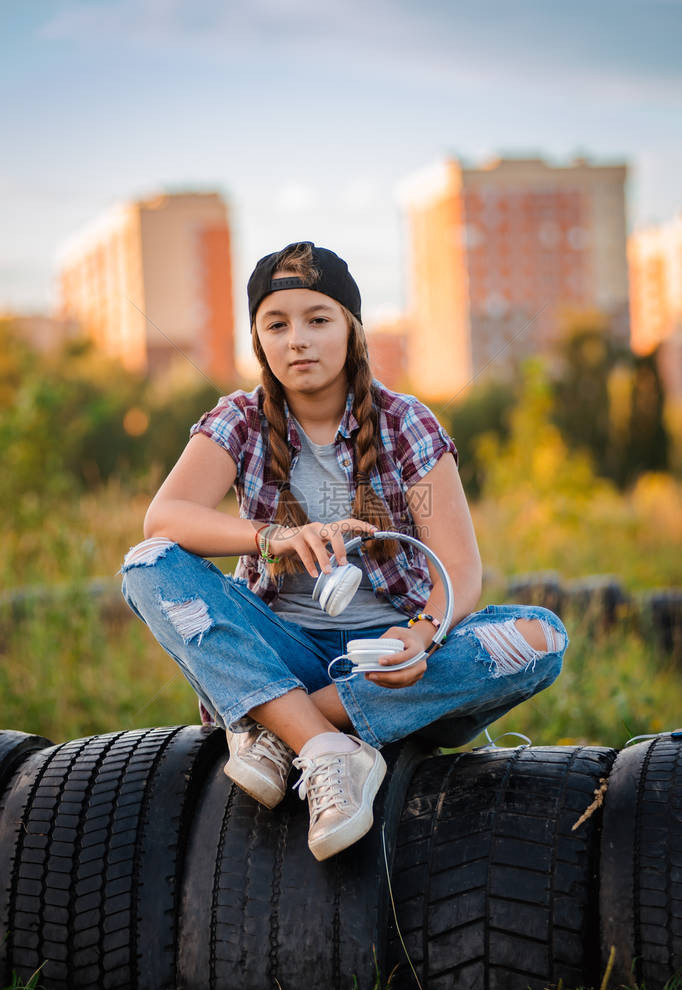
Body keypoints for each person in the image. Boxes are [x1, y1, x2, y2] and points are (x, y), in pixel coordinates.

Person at [119, 240, 568, 862]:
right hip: (283, 652)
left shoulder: (405, 422)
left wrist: (424, 634)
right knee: (146, 564)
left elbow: (460, 569)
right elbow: (162, 518)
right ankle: (329, 749)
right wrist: (268, 536)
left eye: (317, 319)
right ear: (259, 341)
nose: (297, 339)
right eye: (276, 324)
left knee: (539, 638)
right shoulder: (240, 420)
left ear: (352, 330)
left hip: (389, 661)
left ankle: (283, 727)